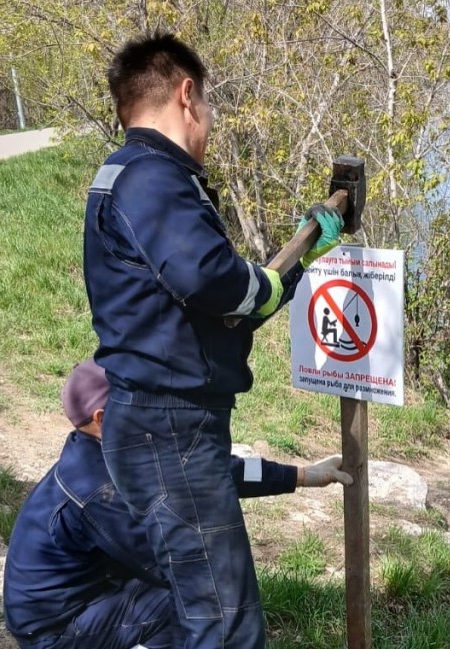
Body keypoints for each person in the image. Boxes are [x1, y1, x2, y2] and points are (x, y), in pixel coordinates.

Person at [81, 32, 345, 649]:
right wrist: (272, 283)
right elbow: (210, 280)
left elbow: (206, 311)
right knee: (224, 622)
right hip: (169, 426)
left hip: (156, 420)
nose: (210, 124)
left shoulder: (125, 174)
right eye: (211, 108)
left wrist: (297, 269)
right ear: (186, 94)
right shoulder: (152, 176)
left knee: (203, 605)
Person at [3, 359, 352, 649]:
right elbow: (171, 564)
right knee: (197, 604)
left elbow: (214, 472)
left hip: (95, 593)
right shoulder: (99, 490)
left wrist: (302, 474)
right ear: (100, 417)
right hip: (57, 628)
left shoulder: (118, 448)